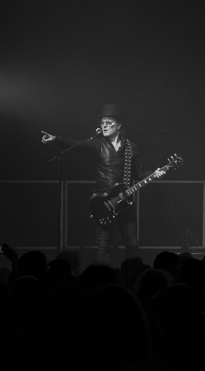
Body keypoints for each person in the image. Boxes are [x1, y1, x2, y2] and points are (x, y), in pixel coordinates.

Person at [41, 104, 144, 265]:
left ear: (119, 125)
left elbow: (139, 174)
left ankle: (134, 274)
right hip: (104, 202)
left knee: (131, 243)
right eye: (102, 123)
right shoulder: (97, 145)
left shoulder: (132, 147)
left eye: (108, 122)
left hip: (125, 202)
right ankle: (101, 276)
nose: (104, 126)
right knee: (104, 244)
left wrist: (156, 173)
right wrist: (56, 139)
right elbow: (76, 143)